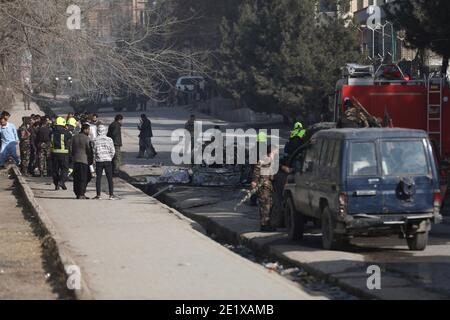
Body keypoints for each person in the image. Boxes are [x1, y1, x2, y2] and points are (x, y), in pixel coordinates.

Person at [251, 143, 278, 232]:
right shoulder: (265, 159)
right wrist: (255, 181)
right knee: (265, 206)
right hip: (263, 185)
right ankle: (264, 225)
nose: (277, 152)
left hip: (268, 185)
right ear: (272, 151)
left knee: (269, 205)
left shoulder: (272, 159)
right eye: (276, 150)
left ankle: (267, 223)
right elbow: (257, 169)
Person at [93, 125, 118, 200]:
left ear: (98, 131)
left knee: (98, 178)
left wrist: (96, 159)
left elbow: (93, 151)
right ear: (105, 131)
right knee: (109, 178)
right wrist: (110, 157)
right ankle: (111, 195)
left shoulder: (95, 140)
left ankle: (98, 195)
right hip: (108, 161)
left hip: (99, 161)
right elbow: (113, 151)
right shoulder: (109, 140)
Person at [71, 124, 93, 199]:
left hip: (76, 160)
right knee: (84, 177)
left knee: (76, 177)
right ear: (85, 129)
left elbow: (71, 148)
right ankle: (81, 193)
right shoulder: (87, 138)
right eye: (89, 130)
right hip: (84, 160)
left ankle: (77, 192)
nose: (89, 131)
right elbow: (89, 150)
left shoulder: (74, 137)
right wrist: (91, 160)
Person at [51, 117, 71, 190]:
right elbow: (70, 141)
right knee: (65, 169)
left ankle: (57, 184)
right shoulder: (67, 133)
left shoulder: (52, 133)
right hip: (64, 154)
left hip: (54, 154)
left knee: (55, 170)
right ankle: (61, 181)